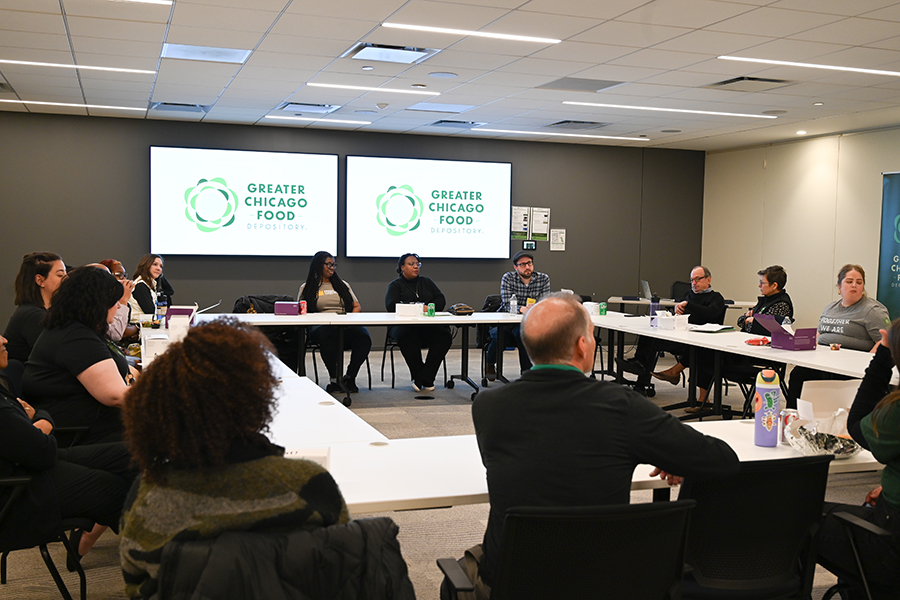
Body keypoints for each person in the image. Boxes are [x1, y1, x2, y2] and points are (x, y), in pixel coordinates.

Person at [444, 293, 739, 599]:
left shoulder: (488, 406)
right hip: (604, 581)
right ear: (582, 346)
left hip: (514, 581)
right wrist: (668, 451)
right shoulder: (623, 406)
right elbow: (722, 460)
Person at [119, 318, 349, 600]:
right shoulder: (308, 483)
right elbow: (342, 569)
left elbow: (136, 585)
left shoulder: (148, 496)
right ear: (258, 397)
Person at [0, 333, 135, 562]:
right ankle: (155, 563)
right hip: (21, 491)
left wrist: (37, 423)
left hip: (31, 465)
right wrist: (44, 421)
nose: (4, 340)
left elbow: (30, 428)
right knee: (118, 488)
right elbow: (41, 450)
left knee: (133, 454)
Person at [817, 319, 900, 599]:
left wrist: (882, 357)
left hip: (891, 547)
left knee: (796, 515)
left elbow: (856, 425)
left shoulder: (894, 414)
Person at [22, 267, 134, 445]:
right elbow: (115, 396)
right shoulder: (76, 337)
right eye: (113, 301)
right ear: (97, 304)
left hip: (86, 424)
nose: (118, 306)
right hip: (82, 432)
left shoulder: (73, 328)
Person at [619, 266, 726, 407]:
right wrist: (677, 309)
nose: (694, 283)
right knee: (651, 334)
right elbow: (682, 311)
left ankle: (677, 375)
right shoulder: (689, 294)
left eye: (698, 279)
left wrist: (689, 305)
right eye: (692, 280)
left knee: (700, 350)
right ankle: (640, 368)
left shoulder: (716, 298)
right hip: (682, 336)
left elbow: (710, 313)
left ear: (708, 279)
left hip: (701, 340)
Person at [788, 264, 890, 407]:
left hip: (850, 368)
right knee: (798, 374)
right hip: (823, 363)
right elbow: (820, 332)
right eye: (849, 281)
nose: (854, 285)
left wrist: (868, 363)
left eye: (859, 282)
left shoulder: (872, 311)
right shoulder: (830, 308)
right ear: (839, 286)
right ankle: (793, 419)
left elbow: (885, 341)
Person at [299, 251, 371, 393]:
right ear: (319, 266)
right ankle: (335, 379)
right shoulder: (306, 287)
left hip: (345, 324)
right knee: (327, 335)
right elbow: (302, 310)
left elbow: (356, 306)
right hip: (321, 326)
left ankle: (349, 377)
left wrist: (350, 320)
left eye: (333, 265)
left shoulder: (343, 285)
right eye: (329, 264)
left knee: (363, 338)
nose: (332, 267)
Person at [385, 253, 452, 392]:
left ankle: (424, 377)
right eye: (411, 264)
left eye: (418, 264)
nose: (416, 267)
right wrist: (420, 308)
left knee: (444, 336)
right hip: (403, 325)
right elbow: (391, 305)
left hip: (427, 325)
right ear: (402, 267)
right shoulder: (396, 285)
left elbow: (440, 300)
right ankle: (421, 375)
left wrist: (430, 307)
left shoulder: (426, 282)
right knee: (407, 336)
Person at [485, 251, 550, 379]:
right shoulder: (508, 278)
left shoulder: (543, 278)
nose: (527, 267)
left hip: (530, 321)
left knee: (523, 333)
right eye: (523, 264)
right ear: (516, 267)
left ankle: (526, 372)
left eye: (529, 263)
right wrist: (522, 309)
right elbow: (507, 303)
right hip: (506, 321)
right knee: (498, 337)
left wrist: (533, 309)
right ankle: (490, 363)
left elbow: (545, 302)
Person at [3, 252, 66, 362]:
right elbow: (55, 357)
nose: (66, 279)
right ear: (40, 280)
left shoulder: (40, 311)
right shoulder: (33, 316)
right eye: (60, 275)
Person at [737, 265, 794, 335]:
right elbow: (740, 321)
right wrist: (749, 319)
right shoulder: (765, 300)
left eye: (762, 283)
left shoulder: (781, 305)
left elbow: (763, 329)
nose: (759, 285)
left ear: (774, 286)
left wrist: (751, 320)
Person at [99, 259, 139, 344]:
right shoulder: (101, 301)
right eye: (119, 275)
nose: (123, 278)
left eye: (124, 275)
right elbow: (117, 333)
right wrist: (123, 300)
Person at [128, 254, 174, 323]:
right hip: (139, 326)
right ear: (146, 265)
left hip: (146, 324)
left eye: (161, 266)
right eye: (155, 264)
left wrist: (160, 275)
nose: (158, 268)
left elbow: (170, 291)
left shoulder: (149, 284)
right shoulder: (140, 285)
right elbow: (150, 312)